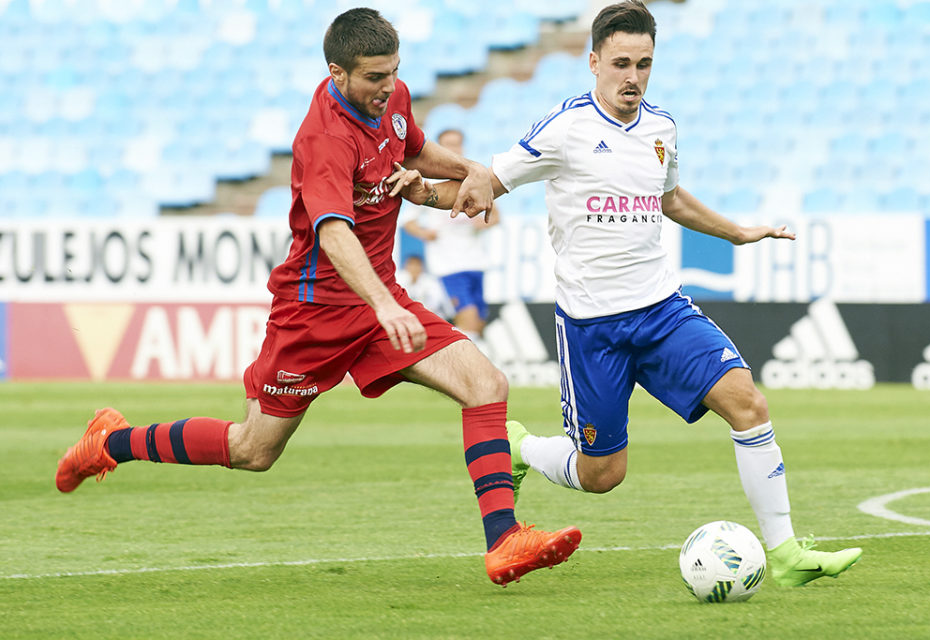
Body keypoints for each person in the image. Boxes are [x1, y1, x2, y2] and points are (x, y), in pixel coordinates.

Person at [54, 7, 580, 587]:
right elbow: (333, 233)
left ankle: (504, 541)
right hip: (316, 313)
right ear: (337, 73)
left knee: (487, 384)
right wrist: (383, 304)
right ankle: (111, 441)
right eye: (375, 79)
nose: (389, 88)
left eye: (394, 73)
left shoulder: (392, 97)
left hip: (381, 300)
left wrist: (469, 171)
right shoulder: (325, 139)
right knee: (253, 449)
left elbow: (412, 146)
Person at [407, 0, 861, 588]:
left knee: (747, 402)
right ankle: (523, 449)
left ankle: (786, 553)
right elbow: (482, 185)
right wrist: (419, 193)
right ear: (593, 62)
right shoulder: (564, 128)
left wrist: (739, 232)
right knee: (602, 475)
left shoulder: (661, 129)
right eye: (621, 63)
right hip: (593, 328)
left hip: (662, 311)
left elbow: (671, 200)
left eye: (644, 64)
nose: (633, 77)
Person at [401, 128, 500, 345]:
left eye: (457, 143)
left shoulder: (474, 179)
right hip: (448, 265)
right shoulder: (429, 182)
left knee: (479, 320)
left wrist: (483, 224)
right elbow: (408, 222)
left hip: (475, 261)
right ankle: (471, 370)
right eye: (448, 144)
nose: (454, 148)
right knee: (469, 317)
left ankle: (469, 364)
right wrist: (426, 234)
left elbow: (496, 215)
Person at [395, 253, 456, 320]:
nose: (414, 268)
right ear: (405, 266)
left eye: (417, 265)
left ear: (422, 267)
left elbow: (435, 303)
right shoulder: (398, 278)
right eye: (411, 264)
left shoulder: (430, 281)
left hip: (427, 315)